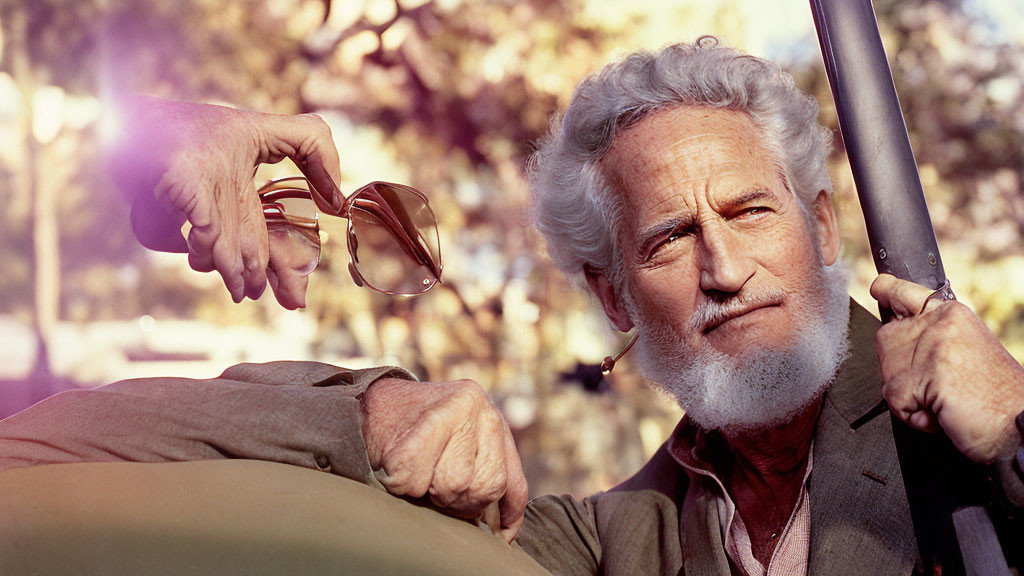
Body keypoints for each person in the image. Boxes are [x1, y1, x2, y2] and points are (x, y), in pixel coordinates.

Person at [2, 38, 1023, 575]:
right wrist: (363, 415)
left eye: (749, 212)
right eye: (668, 238)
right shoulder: (618, 537)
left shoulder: (963, 433)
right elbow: (37, 451)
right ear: (611, 293)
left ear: (822, 228)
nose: (720, 265)